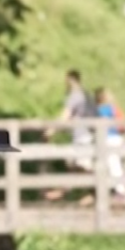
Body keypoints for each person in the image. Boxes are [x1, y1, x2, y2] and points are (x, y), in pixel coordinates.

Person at [43, 69, 97, 202]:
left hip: (82, 137)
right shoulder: (86, 95)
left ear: (70, 80)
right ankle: (89, 195)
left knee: (82, 167)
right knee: (76, 166)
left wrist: (51, 130)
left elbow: (65, 116)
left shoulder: (75, 96)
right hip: (88, 135)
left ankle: (98, 192)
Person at [94, 87, 125, 200]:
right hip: (115, 137)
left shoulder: (100, 110)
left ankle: (120, 191)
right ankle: (116, 189)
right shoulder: (112, 108)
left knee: (112, 164)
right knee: (113, 163)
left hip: (109, 138)